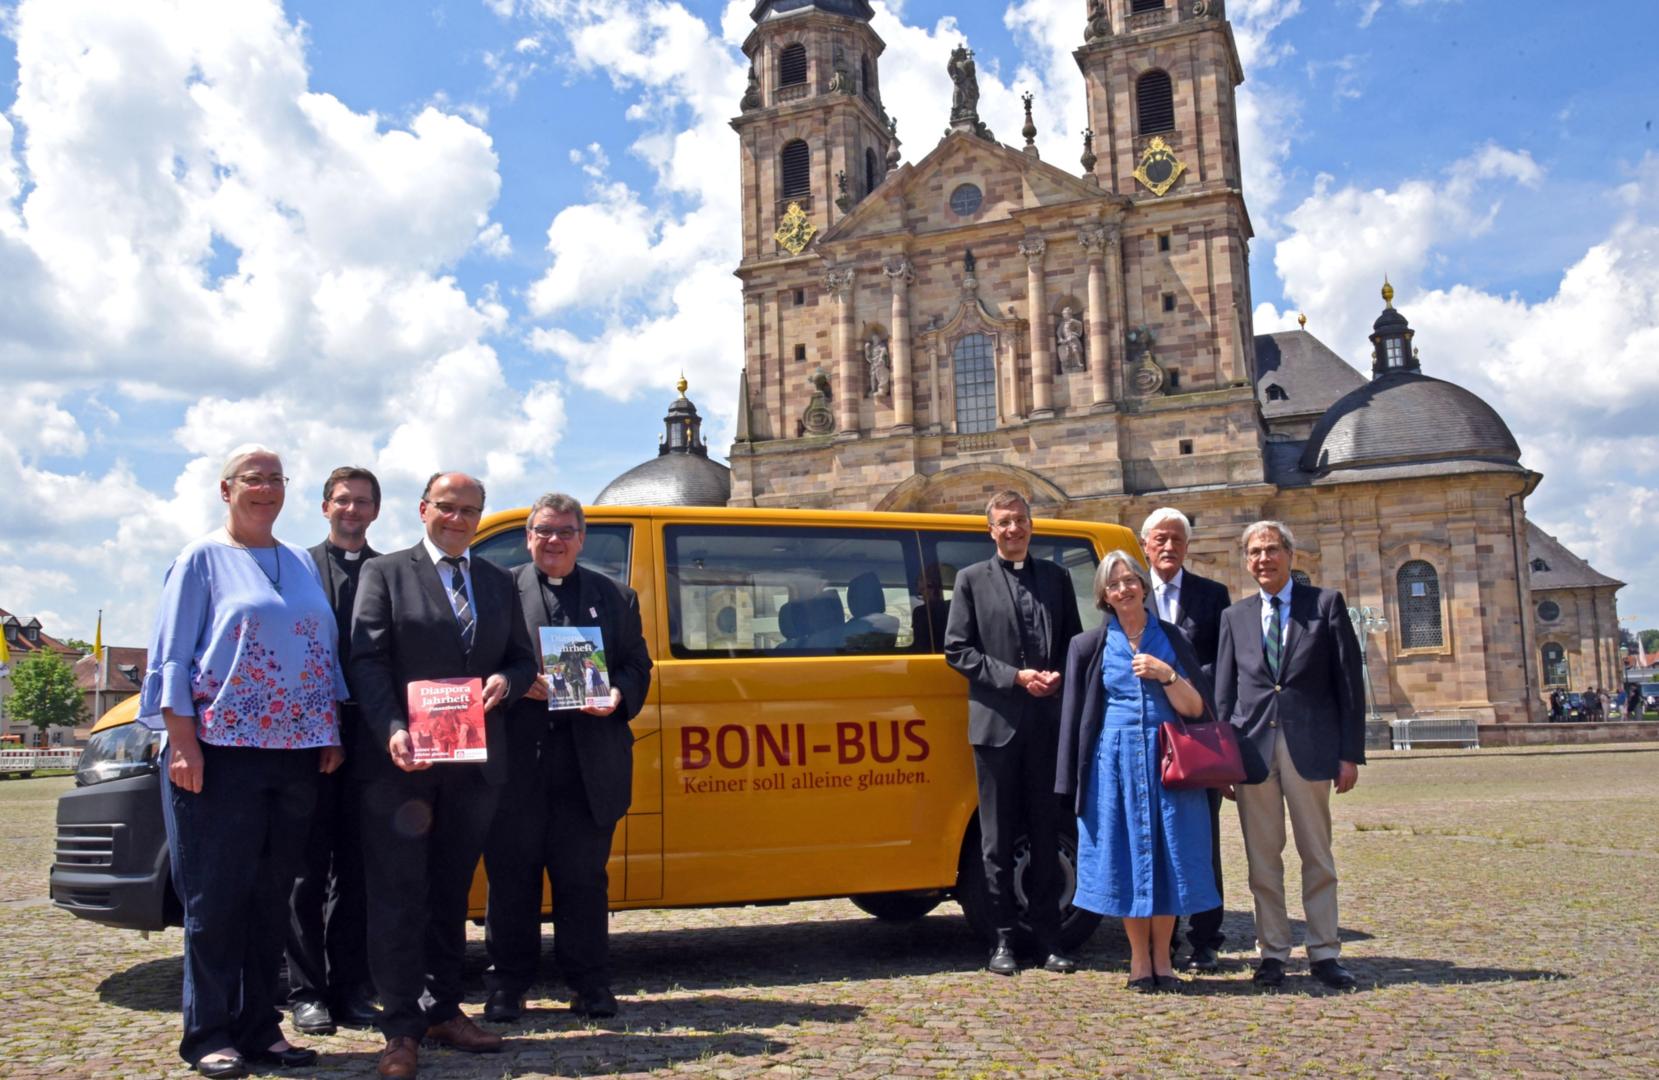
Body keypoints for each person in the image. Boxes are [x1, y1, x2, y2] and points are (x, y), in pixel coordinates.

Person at [139, 445, 346, 1078]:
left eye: (276, 479)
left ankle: (262, 1027)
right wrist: (182, 740)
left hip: (295, 756)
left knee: (269, 899)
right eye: (253, 479)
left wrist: (329, 729)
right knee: (215, 901)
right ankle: (208, 1034)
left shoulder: (298, 563)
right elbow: (172, 655)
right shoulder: (201, 559)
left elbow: (321, 652)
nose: (266, 489)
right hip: (219, 754)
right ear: (225, 489)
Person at [349, 473, 539, 1080]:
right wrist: (391, 727)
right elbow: (366, 660)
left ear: (480, 519)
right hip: (403, 767)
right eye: (447, 508)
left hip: (474, 765)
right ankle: (400, 1028)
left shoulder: (496, 580)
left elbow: (520, 655)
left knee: (452, 893)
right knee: (399, 894)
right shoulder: (385, 574)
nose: (458, 519)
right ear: (424, 509)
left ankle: (444, 1010)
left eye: (469, 511)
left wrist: (507, 681)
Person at [483, 493, 653, 1022]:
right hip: (517, 765)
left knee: (583, 880)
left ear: (581, 538)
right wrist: (515, 685)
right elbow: (479, 663)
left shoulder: (615, 596)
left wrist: (618, 696)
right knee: (511, 880)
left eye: (563, 532)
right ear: (528, 536)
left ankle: (590, 983)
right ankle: (509, 985)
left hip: (587, 764)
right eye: (542, 531)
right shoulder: (499, 591)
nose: (552, 541)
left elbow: (636, 666)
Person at [1056, 550, 1220, 992]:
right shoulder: (1088, 646)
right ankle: (1138, 959)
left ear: (1144, 587)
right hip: (1114, 765)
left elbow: (1198, 708)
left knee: (1169, 857)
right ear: (1104, 596)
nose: (1124, 589)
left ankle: (1164, 958)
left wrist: (1167, 674)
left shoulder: (1172, 638)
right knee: (1126, 857)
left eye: (1130, 580)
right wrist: (1070, 780)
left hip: (1168, 761)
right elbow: (1075, 719)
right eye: (1114, 584)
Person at [1215, 521, 1365, 991]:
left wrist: (1349, 753)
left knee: (1317, 854)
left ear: (1289, 555)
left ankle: (1324, 951)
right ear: (1246, 560)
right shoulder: (1234, 617)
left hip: (1311, 748)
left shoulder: (1324, 605)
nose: (1264, 559)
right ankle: (1273, 952)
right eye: (1255, 552)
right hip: (1252, 751)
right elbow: (1224, 693)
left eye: (1272, 550)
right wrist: (1222, 761)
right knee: (1263, 860)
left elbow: (1348, 684)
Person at [944, 490, 1083, 974]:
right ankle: (1002, 940)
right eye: (1004, 523)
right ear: (991, 530)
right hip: (996, 727)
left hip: (1048, 726)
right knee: (996, 840)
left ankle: (1049, 941)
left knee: (1046, 835)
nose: (1013, 530)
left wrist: (1059, 674)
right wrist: (1016, 678)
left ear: (1031, 525)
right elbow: (957, 650)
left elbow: (1074, 644)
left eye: (1020, 521)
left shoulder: (1057, 578)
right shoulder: (970, 581)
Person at [286, 467, 382, 1036]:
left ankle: (350, 987)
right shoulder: (296, 569)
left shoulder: (390, 570)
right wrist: (323, 730)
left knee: (357, 871)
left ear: (375, 511)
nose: (351, 510)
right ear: (325, 507)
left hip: (369, 741)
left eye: (362, 502)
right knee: (304, 871)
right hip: (308, 740)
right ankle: (306, 992)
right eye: (342, 500)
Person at [1140, 507, 1232, 973]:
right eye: (1160, 539)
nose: (1168, 547)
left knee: (1203, 836)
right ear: (1145, 547)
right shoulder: (1131, 596)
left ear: (1187, 546)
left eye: (1176, 539)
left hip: (1197, 735)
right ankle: (1165, 938)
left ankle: (1206, 936)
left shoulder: (1212, 595)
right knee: (1156, 835)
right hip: (1147, 735)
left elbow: (1224, 665)